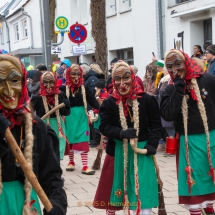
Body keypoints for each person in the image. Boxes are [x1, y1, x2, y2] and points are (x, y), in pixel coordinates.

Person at [0, 55, 67, 214]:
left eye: (14, 80)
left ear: (23, 82)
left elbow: (51, 176)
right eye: (0, 82)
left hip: (27, 204)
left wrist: (57, 203)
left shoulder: (37, 127)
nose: (9, 90)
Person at [93, 61, 162, 215]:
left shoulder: (147, 100)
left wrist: (152, 144)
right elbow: (103, 127)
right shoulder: (110, 103)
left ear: (133, 77)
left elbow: (156, 126)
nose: (122, 83)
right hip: (117, 152)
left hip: (142, 151)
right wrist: (120, 133)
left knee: (142, 190)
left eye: (126, 78)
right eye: (117, 79)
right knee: (115, 194)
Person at [160, 49, 215, 215]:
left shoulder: (208, 79)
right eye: (170, 67)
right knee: (194, 179)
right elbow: (167, 114)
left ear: (186, 61)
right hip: (188, 140)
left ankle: (209, 208)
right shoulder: (169, 87)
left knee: (210, 176)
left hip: (211, 136)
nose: (175, 70)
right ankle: (197, 211)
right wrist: (178, 90)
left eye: (178, 64)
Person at [61, 64, 100, 175]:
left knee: (83, 139)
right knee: (71, 139)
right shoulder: (63, 89)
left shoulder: (84, 88)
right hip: (69, 117)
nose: (76, 76)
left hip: (82, 116)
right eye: (73, 73)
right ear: (68, 74)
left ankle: (85, 166)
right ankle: (71, 162)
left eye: (78, 73)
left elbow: (92, 101)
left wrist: (102, 108)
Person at [31, 71, 71, 159]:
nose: (48, 85)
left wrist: (67, 107)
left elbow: (66, 113)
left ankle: (56, 167)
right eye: (45, 82)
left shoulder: (60, 95)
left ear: (55, 82)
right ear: (42, 83)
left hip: (58, 124)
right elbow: (30, 113)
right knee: (45, 148)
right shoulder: (37, 97)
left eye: (51, 82)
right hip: (43, 124)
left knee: (58, 147)